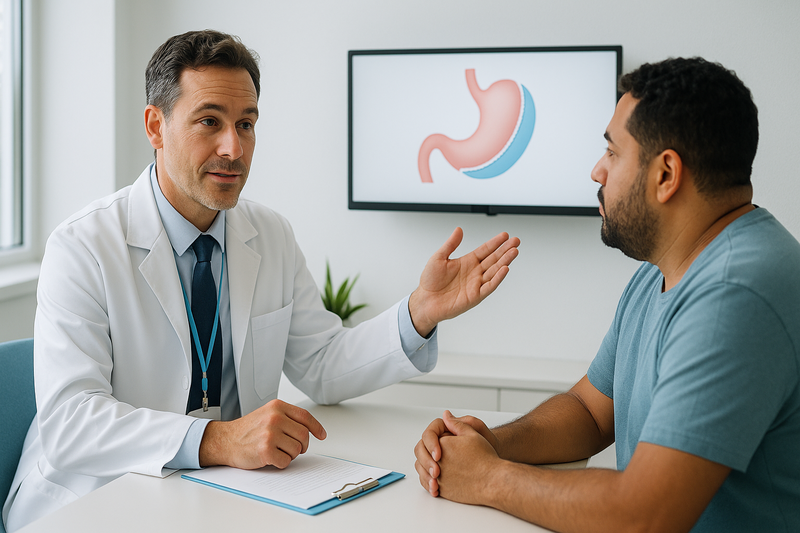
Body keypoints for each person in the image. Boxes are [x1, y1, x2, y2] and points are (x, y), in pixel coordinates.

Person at [2, 30, 520, 531]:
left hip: (216, 494)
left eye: (246, 124)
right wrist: (220, 440)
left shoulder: (268, 233)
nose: (234, 148)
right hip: (94, 498)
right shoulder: (83, 245)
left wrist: (420, 312)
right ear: (155, 127)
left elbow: (321, 364)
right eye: (210, 121)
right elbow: (71, 423)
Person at [414, 57, 800, 532]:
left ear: (666, 175)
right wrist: (491, 442)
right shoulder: (666, 267)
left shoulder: (735, 296)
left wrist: (488, 477)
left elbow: (646, 515)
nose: (597, 171)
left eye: (613, 152)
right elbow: (591, 414)